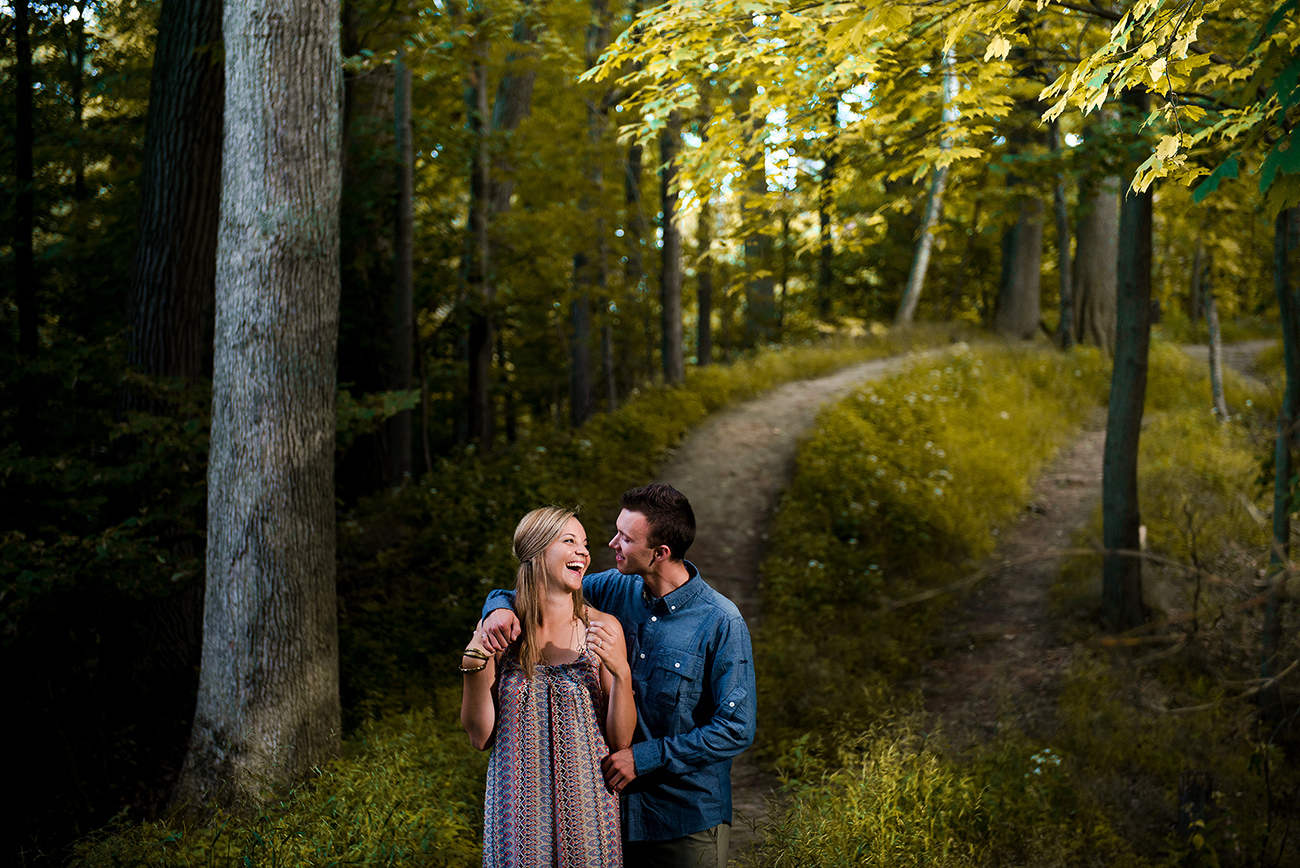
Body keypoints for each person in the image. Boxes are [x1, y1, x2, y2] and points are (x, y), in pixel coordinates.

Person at [478, 484, 756, 868]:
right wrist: (496, 607)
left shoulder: (721, 621)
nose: (612, 543)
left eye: (626, 538)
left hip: (683, 818)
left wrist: (643, 758)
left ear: (660, 553)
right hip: (605, 813)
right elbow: (537, 585)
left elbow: (736, 728)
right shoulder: (611, 588)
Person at [461, 507, 637, 868]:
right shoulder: (499, 630)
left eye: (584, 544)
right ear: (537, 552)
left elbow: (621, 741)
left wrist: (621, 673)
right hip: (516, 811)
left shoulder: (603, 628)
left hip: (588, 808)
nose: (583, 552)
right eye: (569, 541)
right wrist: (473, 666)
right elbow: (479, 737)